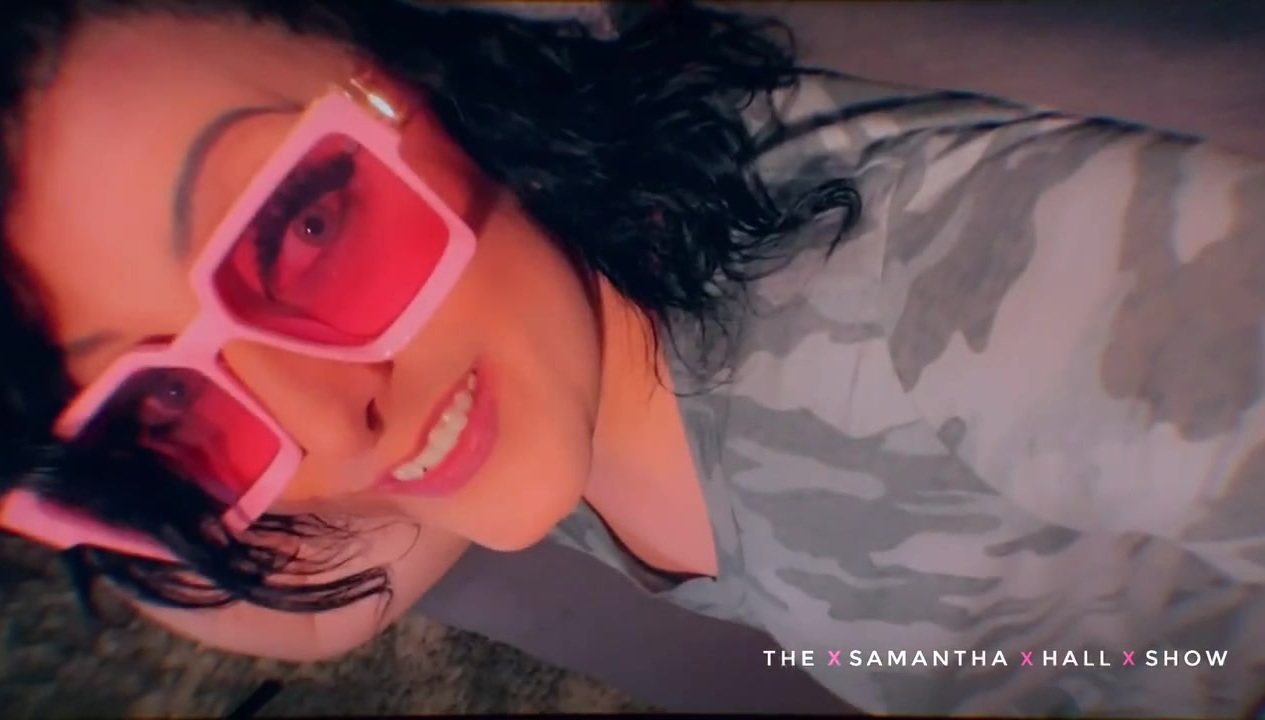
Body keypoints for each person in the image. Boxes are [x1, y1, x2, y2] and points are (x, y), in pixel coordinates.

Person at [0, 0, 1261, 715]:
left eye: (305, 226)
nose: (330, 434)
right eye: (157, 412)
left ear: (409, 70)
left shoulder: (998, 285)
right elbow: (317, 614)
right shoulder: (517, 350)